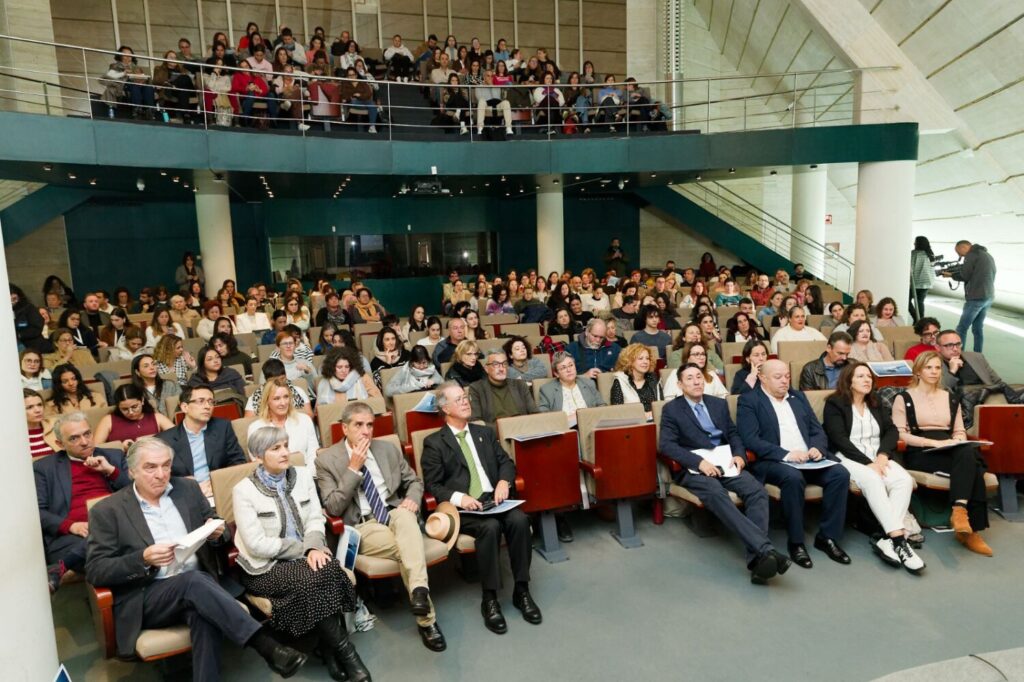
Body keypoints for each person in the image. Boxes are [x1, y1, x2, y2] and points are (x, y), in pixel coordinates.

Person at [86, 437, 309, 678]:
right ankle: (266, 646)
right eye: (150, 467)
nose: (161, 474)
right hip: (148, 595)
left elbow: (218, 526)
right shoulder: (107, 510)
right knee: (193, 582)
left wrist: (218, 532)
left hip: (201, 588)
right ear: (131, 472)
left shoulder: (187, 489)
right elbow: (97, 570)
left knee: (202, 613)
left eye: (166, 465)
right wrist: (143, 559)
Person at [233, 427, 369, 680]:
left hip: (308, 555)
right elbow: (256, 544)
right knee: (314, 578)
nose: (285, 452)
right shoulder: (243, 490)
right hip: (266, 566)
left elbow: (316, 518)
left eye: (286, 445)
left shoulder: (304, 476)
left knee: (327, 570)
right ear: (257, 456)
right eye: (276, 448)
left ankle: (329, 650)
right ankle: (347, 654)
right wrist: (304, 550)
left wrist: (314, 546)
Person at [316, 403, 446, 652]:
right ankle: (426, 619)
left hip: (395, 513)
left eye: (369, 425)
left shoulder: (387, 449)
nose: (365, 431)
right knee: (408, 548)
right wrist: (353, 468)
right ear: (344, 428)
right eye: (358, 425)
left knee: (405, 516)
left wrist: (412, 499)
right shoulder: (326, 460)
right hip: (364, 524)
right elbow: (333, 506)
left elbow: (414, 481)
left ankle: (419, 592)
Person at [421, 382, 540, 634]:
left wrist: (503, 482)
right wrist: (460, 498)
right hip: (465, 508)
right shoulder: (434, 442)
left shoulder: (483, 432)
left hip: (494, 500)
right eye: (458, 399)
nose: (466, 401)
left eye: (465, 397)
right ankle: (490, 598)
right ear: (445, 408)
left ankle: (522, 591)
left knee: (520, 521)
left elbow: (506, 462)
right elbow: (433, 485)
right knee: (490, 527)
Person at [660, 364, 790, 583]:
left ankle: (758, 559)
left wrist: (740, 454)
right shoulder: (671, 409)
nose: (696, 381)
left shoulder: (718, 404)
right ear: (680, 385)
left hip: (725, 462)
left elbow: (732, 433)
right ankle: (764, 549)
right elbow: (667, 445)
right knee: (716, 493)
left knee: (757, 492)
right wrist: (699, 463)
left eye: (699, 376)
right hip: (695, 468)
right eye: (689, 378)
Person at [737, 359, 852, 569]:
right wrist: (787, 455)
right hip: (774, 460)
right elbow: (751, 439)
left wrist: (817, 447)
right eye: (778, 377)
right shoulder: (749, 400)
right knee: (793, 477)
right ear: (762, 378)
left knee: (840, 474)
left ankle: (828, 537)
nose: (784, 381)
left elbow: (816, 430)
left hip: (808, 458)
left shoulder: (798, 396)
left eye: (787, 376)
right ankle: (796, 542)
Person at [823, 362, 924, 572]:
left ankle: (887, 539)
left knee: (903, 480)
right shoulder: (835, 403)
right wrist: (868, 463)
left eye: (869, 376)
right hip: (848, 457)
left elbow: (892, 431)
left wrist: (882, 456)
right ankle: (899, 541)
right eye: (860, 376)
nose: (867, 380)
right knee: (873, 479)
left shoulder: (875, 402)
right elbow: (839, 439)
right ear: (849, 381)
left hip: (877, 457)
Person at [891, 352, 992, 556]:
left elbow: (959, 430)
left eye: (937, 368)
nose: (934, 372)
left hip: (951, 448)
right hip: (921, 451)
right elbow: (900, 434)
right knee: (973, 465)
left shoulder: (950, 397)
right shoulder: (904, 398)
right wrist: (933, 443)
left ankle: (959, 511)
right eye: (928, 368)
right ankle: (971, 530)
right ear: (918, 371)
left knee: (966, 452)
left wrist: (958, 440)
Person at [35, 412, 130, 593]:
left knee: (111, 538)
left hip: (117, 524)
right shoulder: (44, 468)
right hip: (73, 537)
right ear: (60, 444)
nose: (85, 442)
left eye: (87, 434)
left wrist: (110, 471)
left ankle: (62, 566)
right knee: (118, 546)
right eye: (74, 438)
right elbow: (37, 512)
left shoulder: (114, 457)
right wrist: (71, 526)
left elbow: (139, 494)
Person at [156, 384, 246, 496]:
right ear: (185, 407)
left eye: (211, 402)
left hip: (218, 490)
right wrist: (184, 484)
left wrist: (217, 483)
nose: (207, 406)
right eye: (201, 401)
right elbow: (158, 476)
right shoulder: (164, 440)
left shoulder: (222, 427)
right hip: (184, 494)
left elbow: (238, 461)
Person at [249, 376, 322, 469]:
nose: (283, 403)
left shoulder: (305, 420)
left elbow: (313, 454)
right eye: (276, 398)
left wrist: (307, 475)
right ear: (267, 401)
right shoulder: (255, 428)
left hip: (306, 474)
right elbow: (259, 463)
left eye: (286, 397)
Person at [469, 349, 539, 430]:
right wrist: (504, 429)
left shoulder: (520, 385)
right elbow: (476, 422)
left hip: (523, 431)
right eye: (495, 364)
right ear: (486, 369)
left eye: (504, 364)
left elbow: (535, 414)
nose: (501, 369)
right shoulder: (477, 388)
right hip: (495, 434)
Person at [538, 351, 606, 428]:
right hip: (566, 429)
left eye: (571, 365)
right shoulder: (547, 390)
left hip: (591, 426)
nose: (569, 370)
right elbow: (544, 417)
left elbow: (602, 406)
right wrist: (573, 418)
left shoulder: (588, 383)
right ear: (556, 374)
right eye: (563, 368)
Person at [94, 384, 175, 446]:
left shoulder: (156, 417)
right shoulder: (108, 420)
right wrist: (120, 447)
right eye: (124, 409)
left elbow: (177, 436)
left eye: (134, 407)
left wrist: (149, 439)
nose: (131, 412)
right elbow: (96, 447)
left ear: (142, 400)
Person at [246, 359, 313, 417]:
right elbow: (248, 422)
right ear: (267, 380)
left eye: (282, 379)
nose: (278, 383)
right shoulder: (255, 397)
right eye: (274, 380)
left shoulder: (298, 391)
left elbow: (309, 415)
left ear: (286, 376)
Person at [610, 344, 662, 417]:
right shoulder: (620, 381)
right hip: (632, 422)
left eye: (647, 358)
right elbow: (617, 412)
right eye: (640, 358)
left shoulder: (653, 379)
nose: (645, 362)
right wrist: (644, 415)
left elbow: (661, 405)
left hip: (655, 420)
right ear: (630, 361)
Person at [317, 346, 382, 403]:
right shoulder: (324, 382)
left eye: (347, 367)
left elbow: (378, 400)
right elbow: (320, 409)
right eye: (339, 367)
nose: (343, 370)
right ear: (332, 367)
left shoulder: (363, 377)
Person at [663, 342, 727, 399]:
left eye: (703, 354)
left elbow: (723, 396)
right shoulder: (675, 373)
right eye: (696, 354)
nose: (702, 357)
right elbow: (669, 398)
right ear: (687, 358)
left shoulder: (711, 374)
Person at [909, 236, 935, 322]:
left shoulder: (914, 254)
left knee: (907, 300)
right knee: (920, 301)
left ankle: (916, 318)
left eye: (915, 242)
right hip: (927, 282)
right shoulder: (930, 254)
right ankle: (920, 320)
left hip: (916, 282)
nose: (914, 243)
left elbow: (910, 268)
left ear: (918, 243)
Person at [25, 388, 57, 457]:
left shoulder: (56, 425)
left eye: (39, 405)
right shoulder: (14, 435)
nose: (37, 410)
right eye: (30, 407)